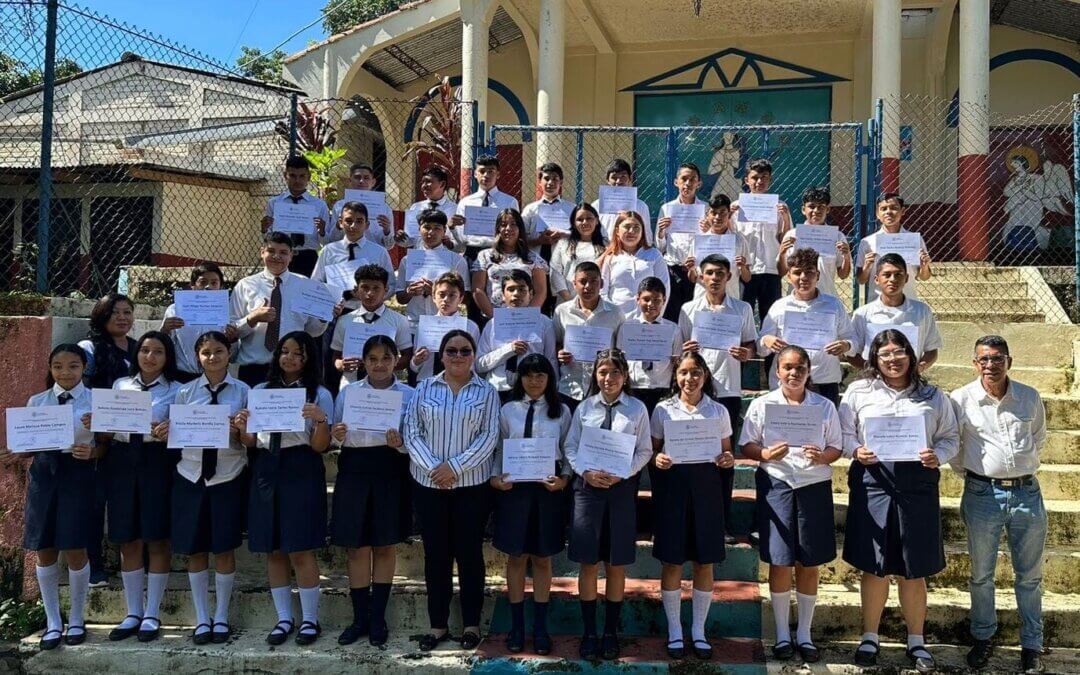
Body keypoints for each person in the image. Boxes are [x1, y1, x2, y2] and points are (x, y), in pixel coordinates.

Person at [838, 330, 959, 672]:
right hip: (872, 481)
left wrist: (939, 455)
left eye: (899, 352)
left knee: (913, 566)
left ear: (911, 354)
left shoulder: (933, 395)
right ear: (874, 359)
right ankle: (870, 636)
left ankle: (916, 640)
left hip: (917, 485)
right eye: (885, 354)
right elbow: (844, 433)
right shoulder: (859, 392)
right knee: (873, 563)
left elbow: (950, 437)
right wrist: (854, 449)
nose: (893, 360)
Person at [739, 345, 842, 664]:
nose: (794, 373)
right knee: (781, 560)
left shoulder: (824, 406)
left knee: (809, 562)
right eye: (787, 367)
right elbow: (748, 444)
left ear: (809, 371)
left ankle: (805, 635)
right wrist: (766, 454)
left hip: (813, 484)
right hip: (777, 484)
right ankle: (782, 634)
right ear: (777, 371)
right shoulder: (762, 404)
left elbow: (836, 447)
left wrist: (823, 456)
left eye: (800, 367)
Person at [950, 336, 1047, 674]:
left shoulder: (1029, 397)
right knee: (980, 575)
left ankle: (1032, 644)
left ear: (1009, 361)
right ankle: (982, 637)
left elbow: (1039, 438)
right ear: (975, 363)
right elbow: (956, 449)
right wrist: (980, 475)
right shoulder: (961, 399)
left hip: (1027, 494)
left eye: (997, 358)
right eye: (984, 359)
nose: (990, 365)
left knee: (1030, 576)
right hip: (982, 495)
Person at [403, 330, 500, 652]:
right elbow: (412, 431)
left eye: (465, 351)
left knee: (470, 555)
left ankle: (471, 623)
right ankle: (438, 625)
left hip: (470, 486)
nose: (458, 356)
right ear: (441, 355)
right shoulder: (424, 388)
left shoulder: (487, 392)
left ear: (474, 355)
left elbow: (489, 437)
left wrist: (454, 468)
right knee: (436, 557)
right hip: (429, 484)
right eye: (452, 351)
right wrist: (435, 468)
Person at [236, 331, 333, 647]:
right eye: (285, 351)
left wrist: (320, 421)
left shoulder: (319, 394)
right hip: (266, 467)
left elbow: (320, 447)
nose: (290, 358)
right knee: (272, 547)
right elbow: (250, 441)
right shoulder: (260, 391)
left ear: (309, 359)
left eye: (298, 353)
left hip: (301, 467)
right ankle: (283, 619)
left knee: (300, 546)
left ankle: (309, 619)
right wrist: (243, 428)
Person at [2, 344, 97, 650]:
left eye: (72, 366)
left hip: (77, 475)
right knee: (44, 547)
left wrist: (94, 447)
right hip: (44, 476)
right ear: (50, 368)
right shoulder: (37, 401)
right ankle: (53, 621)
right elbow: (30, 443)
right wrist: (14, 454)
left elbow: (111, 442)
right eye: (57, 366)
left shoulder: (95, 401)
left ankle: (78, 618)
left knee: (74, 546)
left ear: (84, 367)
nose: (65, 372)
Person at [564, 348, 652, 661]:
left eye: (615, 372)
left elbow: (644, 451)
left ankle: (611, 632)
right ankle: (589, 632)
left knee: (616, 564)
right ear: (595, 376)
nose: (608, 378)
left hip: (620, 491)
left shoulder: (637, 409)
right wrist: (584, 471)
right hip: (588, 490)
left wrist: (623, 475)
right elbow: (571, 447)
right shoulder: (585, 408)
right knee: (588, 563)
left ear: (625, 376)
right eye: (603, 372)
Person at [650, 351, 736, 661]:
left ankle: (698, 630)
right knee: (672, 562)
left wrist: (728, 459)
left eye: (696, 372)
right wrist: (656, 459)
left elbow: (726, 453)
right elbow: (653, 450)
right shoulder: (662, 410)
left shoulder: (718, 411)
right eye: (684, 372)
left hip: (707, 490)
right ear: (675, 376)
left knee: (704, 562)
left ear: (706, 376)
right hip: (673, 489)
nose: (690, 378)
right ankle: (675, 629)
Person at [167, 330, 251, 646]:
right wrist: (167, 430)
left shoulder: (244, 392)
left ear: (229, 354)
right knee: (195, 549)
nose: (212, 357)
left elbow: (251, 442)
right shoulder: (185, 393)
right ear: (197, 357)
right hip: (190, 475)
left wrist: (240, 431)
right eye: (205, 352)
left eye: (218, 351)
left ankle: (222, 616)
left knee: (224, 548)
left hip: (227, 476)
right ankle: (202, 617)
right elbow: (175, 439)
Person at [331, 335, 416, 646]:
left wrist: (401, 443)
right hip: (354, 469)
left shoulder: (410, 394)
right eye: (372, 359)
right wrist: (336, 434)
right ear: (364, 362)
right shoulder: (349, 393)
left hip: (390, 469)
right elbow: (336, 437)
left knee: (384, 544)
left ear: (396, 360)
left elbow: (415, 438)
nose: (379, 365)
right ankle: (359, 618)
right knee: (356, 547)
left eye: (386, 358)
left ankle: (378, 617)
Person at [101, 331, 182, 643]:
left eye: (158, 351)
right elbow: (107, 433)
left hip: (157, 461)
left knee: (156, 537)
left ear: (167, 357)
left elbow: (185, 430)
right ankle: (133, 612)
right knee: (127, 538)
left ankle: (152, 613)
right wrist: (100, 423)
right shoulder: (121, 386)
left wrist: (170, 430)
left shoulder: (178, 390)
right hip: (121, 461)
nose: (150, 357)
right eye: (145, 350)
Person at [489, 354, 572, 655]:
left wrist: (564, 479)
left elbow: (568, 449)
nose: (534, 380)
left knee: (541, 558)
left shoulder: (561, 411)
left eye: (541, 375)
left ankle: (539, 626)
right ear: (519, 378)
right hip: (514, 490)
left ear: (550, 379)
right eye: (528, 375)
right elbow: (498, 446)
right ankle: (517, 626)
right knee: (516, 556)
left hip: (547, 491)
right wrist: (495, 478)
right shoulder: (508, 409)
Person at [678, 254, 757, 540]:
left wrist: (746, 353)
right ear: (700, 276)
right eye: (709, 273)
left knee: (722, 460)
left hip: (727, 390)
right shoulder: (688, 309)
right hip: (693, 391)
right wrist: (688, 347)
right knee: (690, 459)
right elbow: (682, 352)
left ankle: (720, 524)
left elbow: (751, 345)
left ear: (729, 277)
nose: (714, 278)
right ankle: (688, 521)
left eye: (720, 273)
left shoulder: (743, 308)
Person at [78, 292, 138, 586]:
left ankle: (135, 562)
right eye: (116, 312)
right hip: (97, 438)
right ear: (101, 315)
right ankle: (95, 567)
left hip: (128, 441)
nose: (123, 317)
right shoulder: (89, 348)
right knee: (93, 503)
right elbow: (80, 388)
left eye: (128, 312)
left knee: (126, 503)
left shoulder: (139, 349)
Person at [229, 232, 328, 386]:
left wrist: (323, 318)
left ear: (291, 256)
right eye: (271, 251)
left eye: (283, 253)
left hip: (292, 368)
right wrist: (252, 318)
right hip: (254, 368)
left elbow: (312, 331)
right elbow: (231, 330)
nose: (277, 257)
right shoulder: (245, 285)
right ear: (262, 252)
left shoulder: (305, 285)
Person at [759, 247, 854, 407]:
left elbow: (852, 339)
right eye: (797, 272)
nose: (803, 277)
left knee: (825, 430)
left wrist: (846, 345)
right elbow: (761, 348)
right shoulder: (779, 307)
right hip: (786, 384)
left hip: (824, 380)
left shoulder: (834, 305)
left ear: (817, 275)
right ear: (789, 276)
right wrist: (766, 340)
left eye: (809, 272)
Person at [848, 253, 942, 372]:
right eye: (887, 275)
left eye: (898, 274)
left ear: (906, 278)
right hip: (873, 382)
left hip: (910, 382)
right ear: (877, 279)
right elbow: (851, 354)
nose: (893, 279)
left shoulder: (922, 311)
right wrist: (872, 370)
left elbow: (932, 349)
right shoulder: (862, 314)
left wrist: (917, 369)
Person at [554, 261, 625, 411]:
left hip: (602, 389)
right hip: (570, 386)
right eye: (583, 281)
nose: (588, 286)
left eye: (593, 281)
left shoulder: (615, 313)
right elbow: (556, 343)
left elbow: (620, 350)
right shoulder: (561, 311)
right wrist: (560, 353)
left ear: (602, 284)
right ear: (574, 284)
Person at [476, 269, 557, 400]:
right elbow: (479, 365)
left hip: (532, 392)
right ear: (503, 295)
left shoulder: (544, 323)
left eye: (522, 289)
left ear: (530, 294)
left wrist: (552, 393)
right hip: (498, 389)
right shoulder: (492, 324)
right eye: (511, 289)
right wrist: (509, 350)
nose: (516, 294)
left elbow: (551, 360)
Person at [330, 264, 412, 388]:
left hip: (386, 387)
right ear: (356, 290)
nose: (370, 293)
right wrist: (341, 364)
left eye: (376, 288)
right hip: (351, 385)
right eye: (365, 287)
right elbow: (336, 355)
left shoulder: (399, 321)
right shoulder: (345, 320)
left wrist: (387, 365)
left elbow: (407, 356)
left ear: (386, 289)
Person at [732, 158, 792, 323]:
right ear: (746, 180)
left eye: (764, 177)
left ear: (770, 180)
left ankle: (770, 349)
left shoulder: (780, 207)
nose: (759, 182)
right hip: (746, 270)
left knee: (771, 317)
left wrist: (786, 218)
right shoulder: (736, 207)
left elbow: (784, 239)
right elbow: (730, 237)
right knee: (743, 315)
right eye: (755, 177)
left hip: (770, 268)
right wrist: (729, 215)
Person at [394, 209, 471, 337]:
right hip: (414, 325)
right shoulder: (407, 261)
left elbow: (466, 297)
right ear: (419, 229)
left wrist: (436, 293)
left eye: (437, 228)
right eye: (427, 227)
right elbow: (400, 299)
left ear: (444, 231)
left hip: (446, 325)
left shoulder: (456, 260)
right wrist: (409, 292)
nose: (431, 232)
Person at [160, 263, 239, 383]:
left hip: (216, 377)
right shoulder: (175, 310)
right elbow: (164, 348)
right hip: (182, 377)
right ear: (192, 285)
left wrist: (232, 339)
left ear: (220, 286)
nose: (208, 287)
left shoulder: (228, 312)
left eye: (214, 283)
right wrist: (165, 330)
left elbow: (233, 357)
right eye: (203, 282)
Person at [617, 277, 682, 414]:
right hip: (633, 387)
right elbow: (619, 359)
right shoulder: (627, 328)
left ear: (664, 300)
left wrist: (676, 360)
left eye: (657, 300)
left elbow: (677, 360)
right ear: (637, 299)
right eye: (646, 299)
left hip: (662, 388)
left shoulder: (673, 329)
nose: (651, 304)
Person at [471, 208, 549, 321]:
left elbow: (541, 291)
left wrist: (526, 317)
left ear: (520, 229)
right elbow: (477, 289)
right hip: (493, 317)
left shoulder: (533, 258)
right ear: (498, 229)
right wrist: (495, 317)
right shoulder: (485, 256)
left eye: (513, 224)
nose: (508, 228)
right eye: (503, 225)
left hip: (524, 318)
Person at [262, 155, 330, 277]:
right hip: (282, 256)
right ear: (285, 176)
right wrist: (264, 229)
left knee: (307, 293)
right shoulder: (275, 203)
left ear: (308, 177)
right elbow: (269, 238)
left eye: (302, 176)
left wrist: (322, 231)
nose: (297, 180)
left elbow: (325, 243)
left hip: (308, 257)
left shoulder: (319, 205)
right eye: (292, 176)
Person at [777, 187, 852, 299]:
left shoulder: (837, 237)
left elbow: (843, 275)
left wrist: (846, 256)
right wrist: (782, 253)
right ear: (803, 209)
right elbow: (781, 272)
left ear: (827, 209)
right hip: (798, 299)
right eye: (811, 206)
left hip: (826, 297)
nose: (816, 211)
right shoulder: (792, 235)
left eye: (821, 207)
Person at [856, 193, 932, 301]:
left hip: (908, 302)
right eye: (883, 209)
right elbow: (861, 280)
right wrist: (867, 267)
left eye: (894, 208)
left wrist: (924, 266)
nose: (888, 212)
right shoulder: (867, 242)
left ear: (903, 211)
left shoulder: (914, 240)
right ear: (877, 213)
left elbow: (924, 277)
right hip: (877, 304)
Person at [655, 162, 707, 320]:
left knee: (695, 314)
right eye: (684, 179)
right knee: (673, 315)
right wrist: (662, 231)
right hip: (673, 269)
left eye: (692, 179)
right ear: (676, 182)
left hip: (697, 271)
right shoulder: (667, 208)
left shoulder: (706, 208)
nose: (688, 183)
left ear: (699, 183)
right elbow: (660, 246)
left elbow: (711, 244)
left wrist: (708, 231)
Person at [407, 271, 481, 383]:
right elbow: (414, 367)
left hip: (460, 385)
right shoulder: (424, 326)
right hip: (428, 383)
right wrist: (416, 361)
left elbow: (474, 363)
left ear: (460, 298)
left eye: (452, 295)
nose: (446, 299)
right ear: (433, 297)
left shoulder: (470, 327)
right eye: (441, 295)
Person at [311, 201, 396, 292]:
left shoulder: (379, 252)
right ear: (340, 223)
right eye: (348, 221)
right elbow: (316, 281)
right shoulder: (329, 251)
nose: (353, 226)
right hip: (334, 304)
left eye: (359, 221)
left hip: (367, 305)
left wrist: (374, 299)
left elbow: (391, 284)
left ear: (367, 225)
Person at [598, 211, 669, 314]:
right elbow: (603, 292)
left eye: (636, 227)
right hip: (617, 320)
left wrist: (655, 318)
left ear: (642, 231)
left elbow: (664, 287)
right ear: (617, 231)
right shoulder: (610, 257)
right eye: (627, 227)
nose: (632, 231)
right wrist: (611, 316)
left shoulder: (654, 255)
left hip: (646, 320)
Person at [452, 155, 520, 261]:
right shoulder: (465, 202)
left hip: (498, 252)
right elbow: (461, 239)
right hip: (471, 253)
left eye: (491, 171)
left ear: (498, 174)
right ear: (475, 174)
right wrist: (452, 228)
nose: (486, 175)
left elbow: (515, 231)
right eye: (482, 171)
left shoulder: (509, 202)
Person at [690, 194, 750, 301]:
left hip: (730, 298)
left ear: (729, 214)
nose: (718, 217)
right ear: (707, 215)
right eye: (714, 213)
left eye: (722, 213)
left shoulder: (739, 241)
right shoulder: (698, 241)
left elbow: (747, 278)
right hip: (702, 299)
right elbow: (692, 278)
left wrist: (743, 267)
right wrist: (690, 268)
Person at [549, 203, 606, 304]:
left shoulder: (606, 245)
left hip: (598, 303)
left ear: (596, 220)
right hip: (567, 302)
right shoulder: (563, 244)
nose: (585, 222)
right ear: (573, 223)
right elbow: (555, 272)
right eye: (580, 219)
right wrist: (571, 301)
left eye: (589, 218)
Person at [328, 163, 395, 248]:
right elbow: (332, 240)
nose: (361, 181)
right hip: (345, 254)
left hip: (373, 255)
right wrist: (339, 225)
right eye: (357, 177)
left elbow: (389, 246)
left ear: (373, 182)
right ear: (350, 181)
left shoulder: (384, 208)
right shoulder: (339, 206)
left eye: (366, 178)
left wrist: (387, 230)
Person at [592, 158, 653, 244]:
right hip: (604, 250)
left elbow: (647, 236)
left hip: (632, 253)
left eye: (623, 177)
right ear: (607, 180)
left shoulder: (641, 206)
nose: (618, 181)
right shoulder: (596, 206)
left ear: (630, 178)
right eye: (614, 177)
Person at [521, 162, 574, 261]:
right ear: (540, 182)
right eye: (546, 178)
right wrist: (539, 241)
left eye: (555, 179)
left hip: (563, 262)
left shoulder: (571, 209)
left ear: (561, 182)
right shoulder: (530, 209)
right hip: (535, 262)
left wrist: (564, 234)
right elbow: (519, 240)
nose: (550, 183)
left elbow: (581, 236)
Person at [400, 166, 457, 249]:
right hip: (420, 258)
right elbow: (410, 242)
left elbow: (460, 244)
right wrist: (401, 239)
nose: (424, 186)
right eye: (423, 182)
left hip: (444, 258)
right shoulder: (416, 207)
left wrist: (449, 243)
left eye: (428, 181)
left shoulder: (454, 209)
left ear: (442, 184)